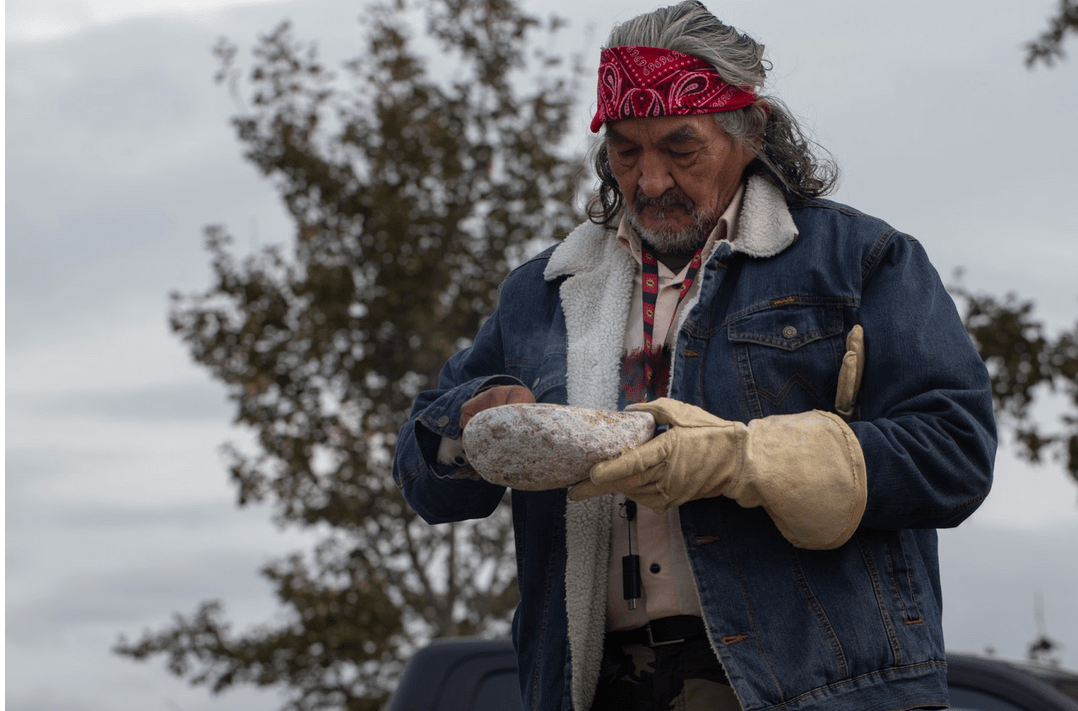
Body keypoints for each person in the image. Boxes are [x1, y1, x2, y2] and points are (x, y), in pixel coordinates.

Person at [392, 2, 996, 709]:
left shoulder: (859, 262)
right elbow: (422, 468)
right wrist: (473, 423)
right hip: (601, 687)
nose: (649, 182)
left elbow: (954, 453)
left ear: (750, 131)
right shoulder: (544, 291)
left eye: (681, 149)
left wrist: (744, 460)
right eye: (625, 151)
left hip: (817, 686)